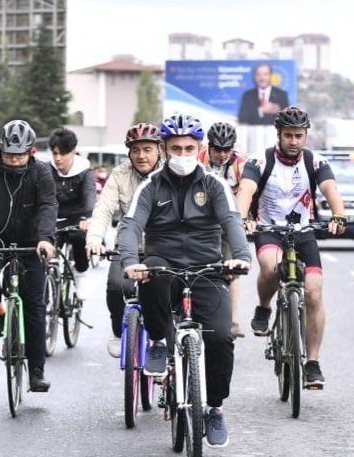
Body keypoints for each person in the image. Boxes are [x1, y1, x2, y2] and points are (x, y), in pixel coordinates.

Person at [118, 113, 251, 448]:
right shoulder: (151, 186)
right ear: (164, 148)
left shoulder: (213, 184)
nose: (182, 154)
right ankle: (160, 342)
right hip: (165, 262)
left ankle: (215, 408)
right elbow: (132, 225)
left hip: (207, 267)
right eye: (175, 148)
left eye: (189, 148)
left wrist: (241, 256)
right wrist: (132, 262)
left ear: (199, 148)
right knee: (152, 274)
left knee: (221, 338)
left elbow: (233, 220)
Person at [236, 106, 346, 389]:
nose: (294, 141)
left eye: (299, 135)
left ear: (305, 134)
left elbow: (331, 190)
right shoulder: (260, 161)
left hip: (303, 232)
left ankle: (312, 363)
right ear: (279, 134)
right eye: (288, 135)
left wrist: (338, 215)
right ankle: (263, 307)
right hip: (269, 229)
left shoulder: (315, 162)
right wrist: (241, 219)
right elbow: (246, 190)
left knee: (313, 292)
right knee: (271, 267)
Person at [0, 120, 57, 392]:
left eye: (20, 155)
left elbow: (48, 207)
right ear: (1, 150)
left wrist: (45, 239)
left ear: (31, 152)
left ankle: (37, 370)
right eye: (9, 154)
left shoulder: (42, 173)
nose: (14, 160)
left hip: (32, 241)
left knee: (35, 305)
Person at [85, 122, 162, 357]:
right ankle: (119, 331)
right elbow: (103, 209)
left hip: (160, 247)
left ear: (159, 150)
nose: (141, 156)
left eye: (147, 149)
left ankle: (162, 338)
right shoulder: (120, 175)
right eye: (136, 150)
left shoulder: (169, 174)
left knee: (165, 292)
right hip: (127, 247)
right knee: (117, 286)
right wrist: (95, 239)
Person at [198, 122, 247, 339]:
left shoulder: (240, 164)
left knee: (231, 268)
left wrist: (249, 217)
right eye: (218, 149)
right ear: (209, 146)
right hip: (200, 221)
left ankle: (233, 321)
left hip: (229, 221)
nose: (222, 154)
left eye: (227, 149)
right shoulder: (197, 160)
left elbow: (249, 192)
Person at [47, 127, 95, 300]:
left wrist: (87, 217)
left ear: (73, 152)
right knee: (45, 244)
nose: (58, 158)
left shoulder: (85, 171)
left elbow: (90, 195)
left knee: (79, 238)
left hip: (77, 217)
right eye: (55, 153)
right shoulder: (46, 170)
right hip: (54, 216)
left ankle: (81, 274)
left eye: (63, 154)